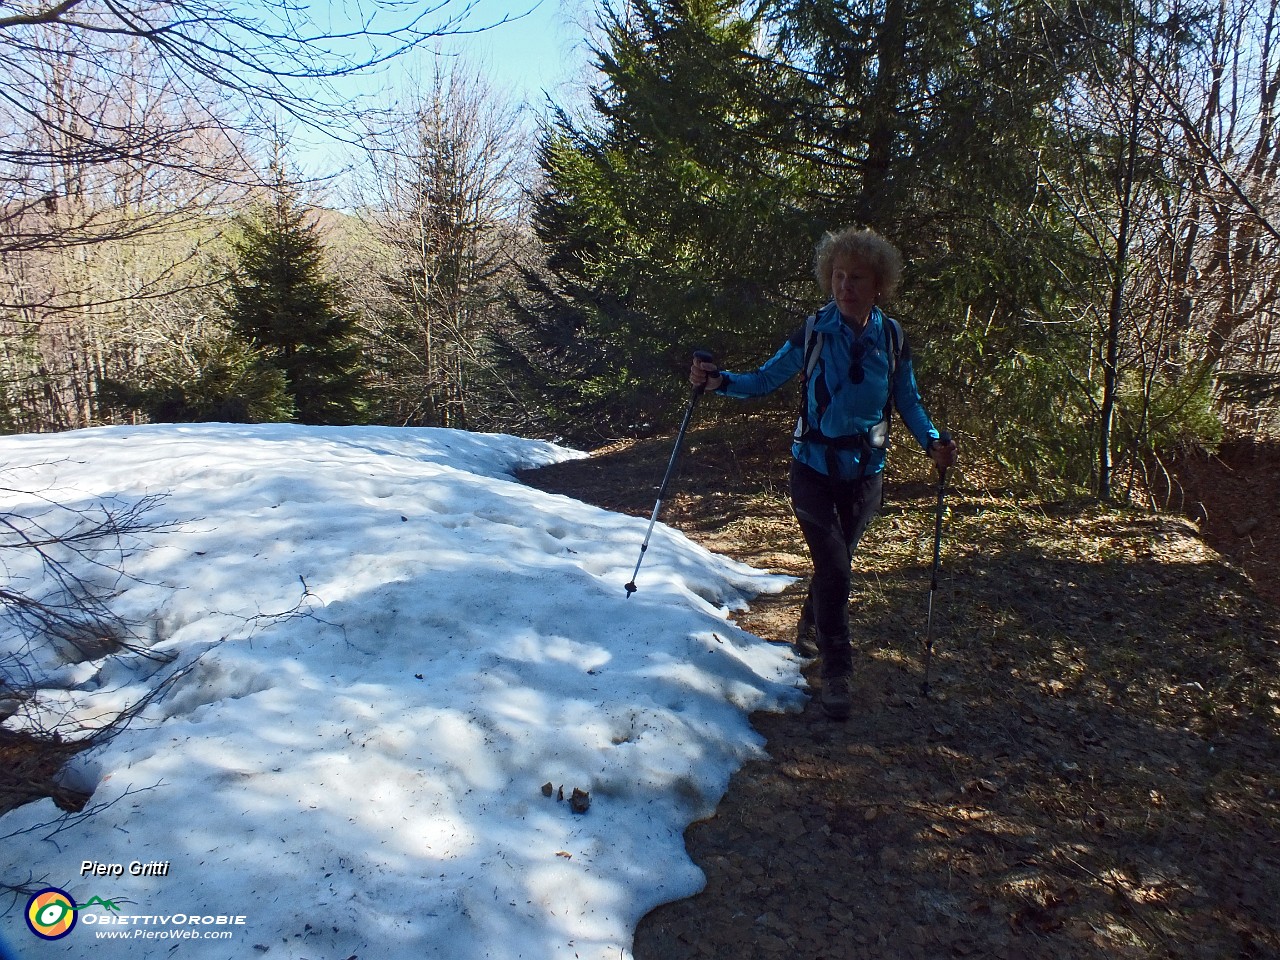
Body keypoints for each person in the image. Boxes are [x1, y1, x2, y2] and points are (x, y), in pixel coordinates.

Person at [689, 226, 958, 720]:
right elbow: (767, 378)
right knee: (835, 567)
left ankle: (811, 622)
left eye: (856, 277)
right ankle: (837, 672)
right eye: (838, 276)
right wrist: (719, 382)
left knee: (834, 564)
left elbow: (908, 402)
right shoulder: (814, 330)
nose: (845, 285)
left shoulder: (892, 338)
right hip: (811, 468)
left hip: (865, 473)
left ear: (879, 284)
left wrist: (933, 441)